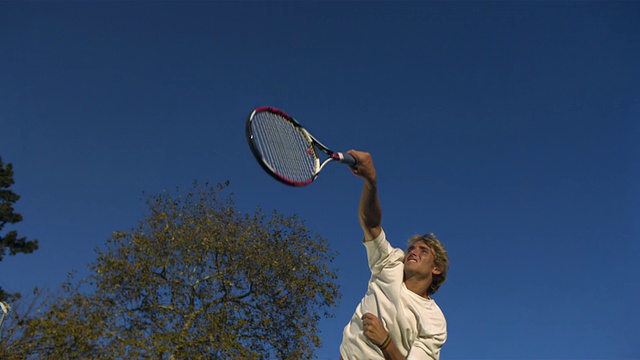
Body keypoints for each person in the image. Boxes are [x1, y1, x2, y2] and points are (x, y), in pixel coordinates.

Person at [339, 150, 449, 360]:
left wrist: (385, 341)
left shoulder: (434, 320)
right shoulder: (390, 264)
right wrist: (370, 181)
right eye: (412, 249)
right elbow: (371, 224)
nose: (413, 252)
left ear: (436, 269)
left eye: (423, 251)